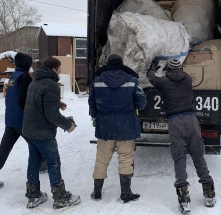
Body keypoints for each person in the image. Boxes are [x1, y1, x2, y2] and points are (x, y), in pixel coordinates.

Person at [147, 59, 216, 213]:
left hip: (174, 122)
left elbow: (150, 77)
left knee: (179, 157)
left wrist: (153, 67)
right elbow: (179, 75)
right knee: (198, 154)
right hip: (191, 120)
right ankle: (209, 193)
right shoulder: (188, 79)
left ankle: (184, 200)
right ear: (181, 68)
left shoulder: (163, 82)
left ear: (168, 71)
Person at [22, 57, 80, 209]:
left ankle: (33, 196)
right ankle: (60, 198)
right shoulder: (51, 85)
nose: (60, 71)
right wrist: (68, 125)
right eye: (59, 68)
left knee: (33, 162)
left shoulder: (34, 81)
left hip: (29, 129)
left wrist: (56, 103)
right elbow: (51, 116)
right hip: (43, 132)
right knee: (53, 162)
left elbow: (38, 103)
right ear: (55, 69)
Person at [88, 54, 147, 203]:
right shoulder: (132, 80)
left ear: (108, 64)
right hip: (126, 126)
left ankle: (97, 192)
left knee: (102, 159)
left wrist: (96, 116)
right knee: (126, 159)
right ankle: (126, 194)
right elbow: (141, 104)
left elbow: (92, 103)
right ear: (121, 64)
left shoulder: (98, 80)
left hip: (105, 126)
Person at [0, 53, 47, 189]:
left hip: (10, 120)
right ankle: (42, 164)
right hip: (22, 121)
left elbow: (8, 95)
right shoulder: (25, 78)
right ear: (26, 64)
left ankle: (42, 162)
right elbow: (23, 100)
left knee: (3, 150)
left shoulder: (11, 77)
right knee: (36, 143)